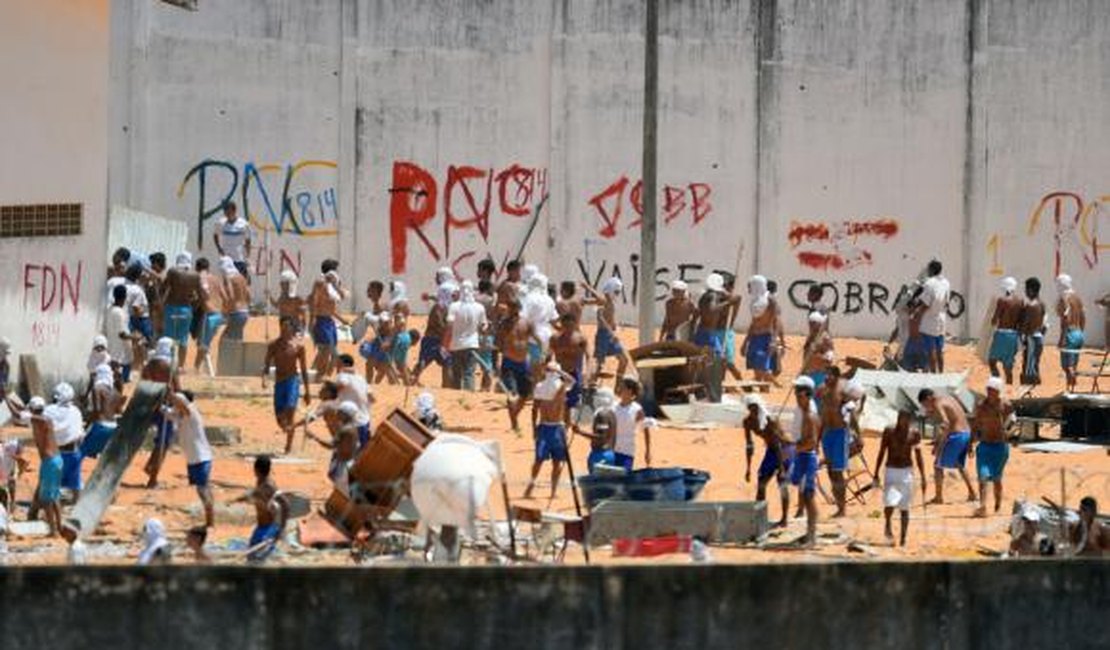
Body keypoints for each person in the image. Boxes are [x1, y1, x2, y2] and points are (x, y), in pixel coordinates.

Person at [872, 410, 926, 546]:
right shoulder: (889, 432)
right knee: (890, 502)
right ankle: (888, 524)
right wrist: (876, 473)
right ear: (898, 418)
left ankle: (903, 538)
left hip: (907, 472)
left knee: (905, 507)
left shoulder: (914, 434)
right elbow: (882, 451)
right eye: (903, 418)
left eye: (908, 419)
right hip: (891, 470)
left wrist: (923, 476)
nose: (905, 422)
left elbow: (918, 455)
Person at [523, 362, 575, 500]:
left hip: (549, 427)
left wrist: (534, 428)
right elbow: (572, 381)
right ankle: (547, 490)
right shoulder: (560, 386)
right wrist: (560, 372)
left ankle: (536, 488)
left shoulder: (542, 386)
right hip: (554, 428)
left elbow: (534, 409)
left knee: (542, 460)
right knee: (552, 461)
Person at [919, 388, 976, 504]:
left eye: (925, 404)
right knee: (959, 464)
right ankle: (972, 493)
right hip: (966, 434)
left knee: (937, 465)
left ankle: (938, 497)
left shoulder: (937, 403)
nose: (926, 407)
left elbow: (946, 423)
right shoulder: (949, 398)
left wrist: (938, 444)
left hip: (956, 435)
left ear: (929, 398)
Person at [743, 394, 793, 528]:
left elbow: (777, 443)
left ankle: (784, 519)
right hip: (771, 450)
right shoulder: (747, 422)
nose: (753, 411)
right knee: (761, 482)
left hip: (785, 449)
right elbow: (749, 445)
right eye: (751, 408)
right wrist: (748, 468)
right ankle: (759, 517)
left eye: (755, 408)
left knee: (782, 483)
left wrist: (782, 469)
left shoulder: (770, 420)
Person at [264, 316, 312, 454]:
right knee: (280, 418)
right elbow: (266, 364)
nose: (285, 329)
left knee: (290, 410)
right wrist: (264, 377)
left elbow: (303, 369)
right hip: (279, 382)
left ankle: (288, 447)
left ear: (292, 328)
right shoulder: (273, 345)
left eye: (287, 327)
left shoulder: (299, 346)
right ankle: (286, 428)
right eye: (282, 327)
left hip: (292, 380)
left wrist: (307, 391)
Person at [168, 391, 214, 528]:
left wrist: (170, 393)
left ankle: (210, 521)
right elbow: (168, 413)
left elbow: (182, 404)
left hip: (201, 458)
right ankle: (210, 516)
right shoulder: (180, 416)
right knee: (202, 489)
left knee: (202, 490)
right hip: (192, 459)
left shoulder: (191, 412)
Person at [142, 338, 183, 488]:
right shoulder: (169, 366)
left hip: (148, 406)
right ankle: (152, 479)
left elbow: (144, 385)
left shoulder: (148, 366)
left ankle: (150, 466)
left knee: (160, 442)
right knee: (163, 444)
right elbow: (177, 389)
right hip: (165, 408)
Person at [971, 377, 1014, 517]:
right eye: (988, 389)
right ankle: (983, 506)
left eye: (992, 390)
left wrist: (1008, 431)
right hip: (984, 446)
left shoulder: (1005, 405)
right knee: (983, 477)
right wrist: (970, 443)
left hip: (1000, 447)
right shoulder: (981, 406)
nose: (989, 392)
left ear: (998, 391)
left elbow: (1014, 421)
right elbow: (976, 424)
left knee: (996, 480)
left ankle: (997, 505)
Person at [789, 376, 821, 548]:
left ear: (807, 395)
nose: (796, 397)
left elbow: (812, 441)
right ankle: (809, 532)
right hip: (803, 455)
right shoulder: (804, 411)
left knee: (809, 496)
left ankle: (812, 535)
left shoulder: (810, 415)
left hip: (807, 456)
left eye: (799, 395)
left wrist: (795, 448)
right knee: (804, 492)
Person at [498, 298, 538, 432]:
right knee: (512, 394)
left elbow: (536, 338)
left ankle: (515, 415)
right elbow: (498, 341)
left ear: (519, 308)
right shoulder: (504, 324)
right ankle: (514, 423)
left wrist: (542, 353)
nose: (513, 310)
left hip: (523, 362)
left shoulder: (527, 323)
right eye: (511, 308)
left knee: (525, 394)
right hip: (509, 361)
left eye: (515, 307)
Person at [161, 252, 204, 367]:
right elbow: (201, 296)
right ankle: (180, 366)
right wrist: (193, 308)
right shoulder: (195, 275)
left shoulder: (172, 271)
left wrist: (161, 303)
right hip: (186, 309)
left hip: (171, 307)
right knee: (183, 339)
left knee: (168, 338)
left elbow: (163, 287)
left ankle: (167, 364)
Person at [309, 260, 350, 378]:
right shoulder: (320, 284)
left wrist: (341, 320)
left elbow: (339, 300)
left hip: (329, 321)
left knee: (328, 351)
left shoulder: (333, 286)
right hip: (321, 320)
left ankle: (321, 375)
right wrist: (312, 320)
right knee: (327, 351)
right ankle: (320, 376)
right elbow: (314, 302)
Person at [445, 280, 488, 392]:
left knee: (457, 374)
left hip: (456, 345)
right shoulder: (480, 307)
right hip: (472, 344)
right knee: (469, 373)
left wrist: (445, 343)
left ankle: (455, 398)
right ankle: (469, 397)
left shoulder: (454, 306)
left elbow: (449, 325)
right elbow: (484, 326)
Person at [819, 370, 851, 518]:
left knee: (838, 471)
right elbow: (822, 416)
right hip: (827, 433)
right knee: (830, 471)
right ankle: (839, 506)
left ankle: (842, 508)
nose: (827, 377)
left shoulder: (842, 391)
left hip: (839, 433)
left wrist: (857, 434)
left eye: (830, 375)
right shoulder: (823, 392)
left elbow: (852, 413)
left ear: (836, 377)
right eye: (827, 375)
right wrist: (818, 438)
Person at [28, 397, 62, 535]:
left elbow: (27, 416)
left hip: (50, 462)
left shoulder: (43, 420)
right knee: (54, 497)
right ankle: (59, 526)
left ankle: (53, 531)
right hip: (54, 460)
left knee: (47, 499)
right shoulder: (40, 420)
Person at [45, 383, 84, 501]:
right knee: (75, 481)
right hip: (73, 453)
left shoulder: (49, 410)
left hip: (55, 453)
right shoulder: (76, 411)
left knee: (52, 482)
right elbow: (79, 432)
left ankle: (51, 504)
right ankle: (76, 503)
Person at [584, 277, 627, 383]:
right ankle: (589, 389)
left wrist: (616, 327)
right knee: (598, 365)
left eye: (618, 292)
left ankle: (618, 385)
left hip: (612, 336)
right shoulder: (603, 299)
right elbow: (595, 299)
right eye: (616, 291)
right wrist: (588, 288)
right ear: (611, 289)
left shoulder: (608, 301)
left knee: (623, 359)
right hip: (603, 335)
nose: (617, 294)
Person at [245, 455, 286, 562]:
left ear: (256, 469)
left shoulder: (269, 486)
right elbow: (254, 494)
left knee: (256, 559)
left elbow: (285, 503)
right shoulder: (260, 481)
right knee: (251, 557)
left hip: (268, 529)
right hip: (261, 528)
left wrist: (281, 528)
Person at [693, 272, 740, 365]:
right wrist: (728, 303)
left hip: (702, 331)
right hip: (708, 333)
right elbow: (712, 309)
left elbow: (697, 313)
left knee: (704, 357)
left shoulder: (705, 295)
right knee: (719, 357)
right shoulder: (713, 296)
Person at [550, 312, 588, 427]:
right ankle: (563, 426)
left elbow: (589, 356)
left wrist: (587, 372)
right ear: (562, 325)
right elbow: (548, 355)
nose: (568, 329)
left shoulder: (580, 339)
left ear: (575, 325)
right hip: (558, 374)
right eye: (565, 326)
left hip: (573, 374)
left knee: (570, 403)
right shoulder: (555, 338)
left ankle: (566, 425)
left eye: (570, 326)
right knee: (558, 402)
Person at [413, 282, 454, 387]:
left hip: (439, 340)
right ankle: (412, 381)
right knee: (424, 362)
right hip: (433, 340)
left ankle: (446, 387)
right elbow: (439, 324)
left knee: (447, 364)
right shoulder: (440, 307)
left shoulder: (446, 307)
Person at [741, 275, 781, 384]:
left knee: (762, 368)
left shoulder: (770, 301)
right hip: (754, 338)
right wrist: (746, 342)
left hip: (766, 337)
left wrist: (773, 341)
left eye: (750, 286)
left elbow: (776, 322)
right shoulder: (754, 302)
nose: (748, 289)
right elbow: (753, 323)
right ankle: (762, 388)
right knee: (756, 369)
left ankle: (775, 384)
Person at [915, 260, 950, 373]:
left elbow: (925, 304)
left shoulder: (929, 284)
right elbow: (946, 303)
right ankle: (941, 372)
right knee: (939, 349)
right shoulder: (946, 283)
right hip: (941, 319)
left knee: (931, 350)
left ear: (931, 270)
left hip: (929, 320)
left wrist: (917, 316)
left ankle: (933, 374)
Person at [80, 364, 122, 459]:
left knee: (81, 451)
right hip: (113, 428)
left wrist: (86, 426)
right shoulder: (116, 392)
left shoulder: (97, 388)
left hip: (101, 426)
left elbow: (97, 411)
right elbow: (119, 412)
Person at [194, 257, 228, 373]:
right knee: (205, 344)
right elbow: (225, 297)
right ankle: (207, 370)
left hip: (208, 314)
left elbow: (204, 292)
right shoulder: (216, 279)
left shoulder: (201, 278)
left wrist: (201, 302)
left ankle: (196, 369)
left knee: (202, 345)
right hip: (218, 315)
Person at [612, 376, 653, 471]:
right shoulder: (613, 407)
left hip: (627, 452)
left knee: (624, 477)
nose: (619, 389)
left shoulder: (637, 410)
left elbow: (645, 429)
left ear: (630, 391)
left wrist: (647, 451)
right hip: (612, 450)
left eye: (622, 387)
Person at [988, 276, 1024, 384]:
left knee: (992, 361)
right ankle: (1009, 388)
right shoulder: (1020, 301)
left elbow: (994, 320)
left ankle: (998, 383)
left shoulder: (1002, 300)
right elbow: (1021, 320)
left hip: (1001, 334)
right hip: (1013, 335)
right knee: (1008, 366)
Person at [1055, 274, 1086, 392]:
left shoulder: (1064, 299)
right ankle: (1071, 389)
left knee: (1066, 366)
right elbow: (1083, 317)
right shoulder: (1077, 298)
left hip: (1069, 333)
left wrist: (1062, 338)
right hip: (1078, 333)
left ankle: (1070, 389)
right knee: (1074, 365)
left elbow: (1066, 320)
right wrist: (1081, 332)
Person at [886, 282, 927, 372]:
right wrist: (888, 343)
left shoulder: (913, 313)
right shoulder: (902, 314)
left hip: (910, 346)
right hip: (905, 345)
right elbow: (896, 330)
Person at [575, 387, 618, 473]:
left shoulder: (602, 415)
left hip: (600, 455)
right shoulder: (611, 413)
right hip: (608, 453)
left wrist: (580, 432)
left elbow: (602, 437)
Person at [335, 354, 373, 448]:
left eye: (337, 363)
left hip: (353, 423)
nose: (335, 366)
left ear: (343, 364)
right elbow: (372, 398)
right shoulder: (361, 377)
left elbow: (343, 384)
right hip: (365, 420)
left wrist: (331, 389)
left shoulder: (342, 375)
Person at [212, 201, 253, 281]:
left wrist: (247, 256)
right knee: (227, 283)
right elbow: (215, 235)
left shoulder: (243, 224)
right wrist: (219, 248)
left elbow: (248, 240)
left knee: (241, 281)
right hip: (226, 259)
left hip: (239, 259)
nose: (227, 214)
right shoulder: (221, 223)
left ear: (234, 211)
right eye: (225, 212)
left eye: (229, 212)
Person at [105, 285, 137, 383]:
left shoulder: (110, 309)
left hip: (113, 346)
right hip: (119, 348)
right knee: (120, 375)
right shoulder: (118, 312)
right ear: (125, 297)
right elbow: (122, 334)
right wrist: (135, 337)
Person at [1019, 277, 1046, 386]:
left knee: (1029, 366)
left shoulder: (1030, 305)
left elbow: (1025, 324)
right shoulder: (1042, 304)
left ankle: (1029, 387)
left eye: (1026, 289)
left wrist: (1021, 336)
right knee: (1034, 364)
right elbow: (1043, 323)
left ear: (1031, 290)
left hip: (1031, 337)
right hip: (1039, 336)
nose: (1025, 292)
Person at [219, 256, 251, 341]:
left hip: (235, 313)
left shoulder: (228, 279)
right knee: (237, 341)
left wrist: (225, 310)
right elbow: (249, 295)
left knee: (224, 342)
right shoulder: (241, 277)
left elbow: (230, 296)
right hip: (245, 312)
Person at [145, 252, 168, 339]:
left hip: (161, 309)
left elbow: (161, 279)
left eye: (152, 263)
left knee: (160, 334)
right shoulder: (153, 276)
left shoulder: (164, 275)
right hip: (153, 308)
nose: (151, 266)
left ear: (157, 263)